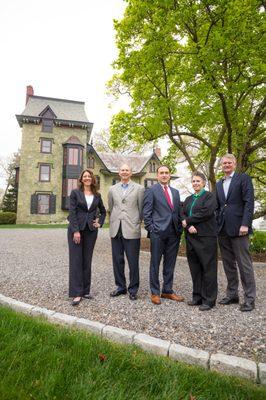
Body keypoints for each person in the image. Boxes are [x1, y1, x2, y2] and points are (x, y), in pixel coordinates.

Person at [216, 154, 256, 312]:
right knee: (228, 264)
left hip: (240, 228)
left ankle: (250, 299)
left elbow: (249, 202)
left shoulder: (243, 178)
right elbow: (219, 206)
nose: (226, 165)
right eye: (224, 163)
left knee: (244, 264)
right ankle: (232, 294)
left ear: (234, 163)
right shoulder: (219, 184)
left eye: (229, 162)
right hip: (223, 229)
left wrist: (245, 223)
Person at [143, 165, 184, 305]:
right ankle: (155, 292)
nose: (164, 175)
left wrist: (179, 228)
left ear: (170, 175)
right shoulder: (151, 191)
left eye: (167, 173)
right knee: (155, 263)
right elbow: (146, 212)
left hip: (174, 232)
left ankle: (167, 290)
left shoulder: (176, 192)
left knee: (170, 263)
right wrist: (152, 228)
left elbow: (178, 212)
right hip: (158, 233)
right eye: (162, 173)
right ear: (157, 175)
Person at [68, 169, 106, 306]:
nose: (87, 178)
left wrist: (99, 222)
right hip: (76, 231)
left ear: (92, 179)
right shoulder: (75, 193)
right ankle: (76, 293)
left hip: (91, 231)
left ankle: (85, 291)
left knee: (87, 260)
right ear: (81, 179)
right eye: (84, 176)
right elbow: (72, 212)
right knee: (76, 260)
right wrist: (76, 231)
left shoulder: (97, 195)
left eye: (89, 176)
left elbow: (103, 211)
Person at [181, 172, 218, 311]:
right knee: (195, 269)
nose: (195, 183)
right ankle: (197, 297)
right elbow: (182, 213)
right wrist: (188, 226)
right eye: (193, 181)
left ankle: (209, 300)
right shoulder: (189, 199)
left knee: (208, 269)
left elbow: (206, 212)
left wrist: (188, 221)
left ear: (203, 183)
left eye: (198, 181)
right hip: (191, 238)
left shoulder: (209, 196)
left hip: (206, 238)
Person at [108, 164, 144, 301]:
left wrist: (135, 221)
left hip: (132, 228)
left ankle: (133, 289)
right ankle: (120, 287)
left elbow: (141, 209)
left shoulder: (139, 189)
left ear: (131, 172)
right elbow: (111, 207)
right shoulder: (112, 189)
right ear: (119, 172)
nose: (124, 172)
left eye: (127, 170)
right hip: (116, 227)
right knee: (117, 260)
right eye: (122, 170)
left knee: (133, 261)